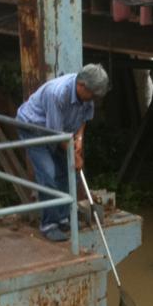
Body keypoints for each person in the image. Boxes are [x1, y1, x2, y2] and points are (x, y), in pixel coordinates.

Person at [16, 64, 109, 242]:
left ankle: (63, 217)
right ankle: (49, 224)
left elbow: (84, 119)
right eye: (92, 95)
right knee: (48, 173)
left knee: (70, 171)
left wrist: (79, 140)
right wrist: (74, 155)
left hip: (60, 132)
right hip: (34, 128)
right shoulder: (58, 93)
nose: (94, 99)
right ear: (81, 86)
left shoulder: (88, 96)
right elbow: (55, 135)